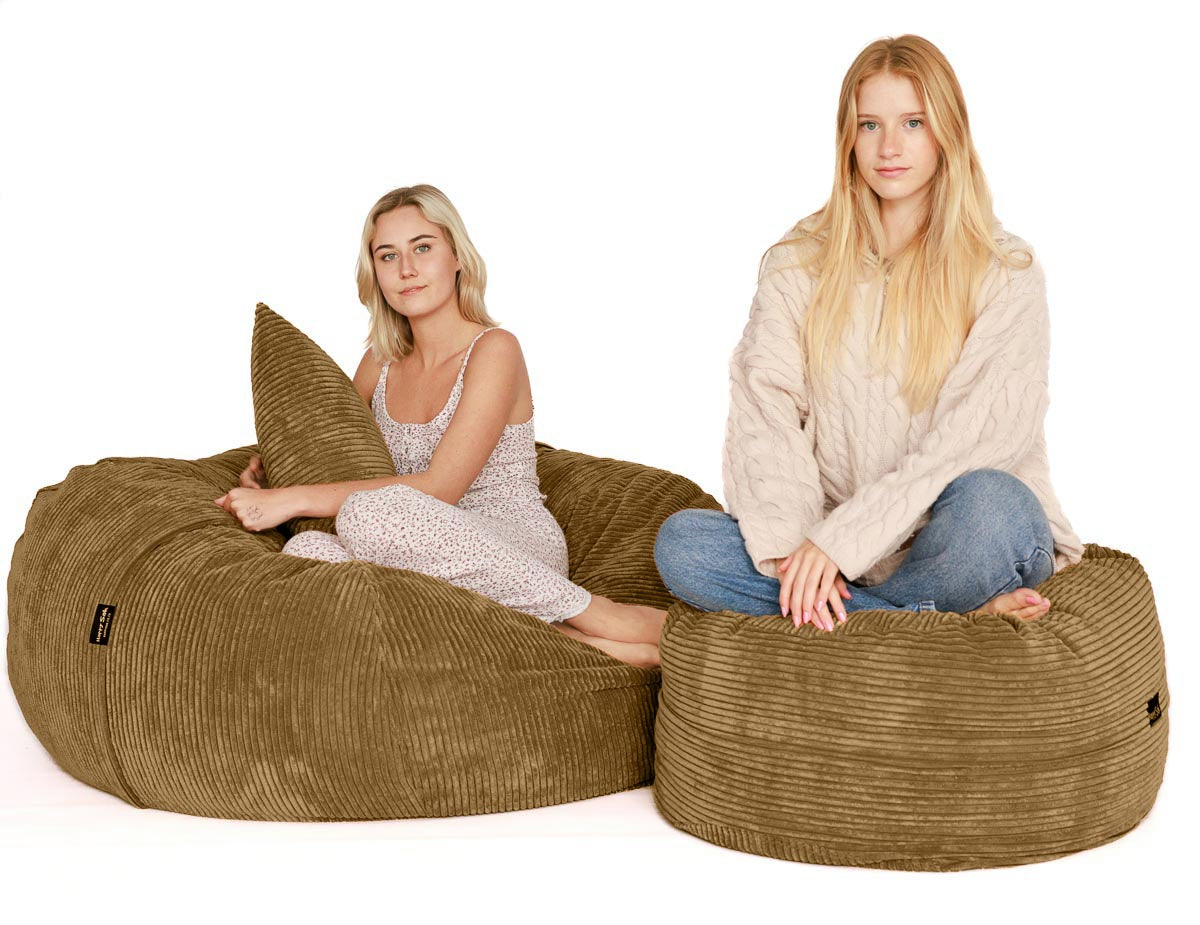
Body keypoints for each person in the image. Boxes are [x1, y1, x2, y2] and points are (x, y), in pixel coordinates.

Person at [653, 34, 1085, 633]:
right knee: (684, 545)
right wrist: (798, 552)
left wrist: (841, 545)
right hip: (831, 549)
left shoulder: (1005, 271)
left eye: (913, 122)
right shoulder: (799, 260)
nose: (889, 148)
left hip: (956, 538)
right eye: (869, 125)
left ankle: (856, 616)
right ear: (848, 137)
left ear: (947, 132)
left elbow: (974, 442)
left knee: (995, 505)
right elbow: (765, 412)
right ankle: (924, 620)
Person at [214, 184, 665, 667]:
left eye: (423, 248)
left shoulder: (494, 349)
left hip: (511, 546)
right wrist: (274, 474)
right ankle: (567, 642)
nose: (406, 269)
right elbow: (335, 445)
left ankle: (595, 614)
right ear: (374, 274)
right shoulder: (379, 362)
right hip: (414, 553)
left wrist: (293, 499)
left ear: (457, 257)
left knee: (367, 516)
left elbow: (440, 488)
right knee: (308, 551)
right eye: (388, 256)